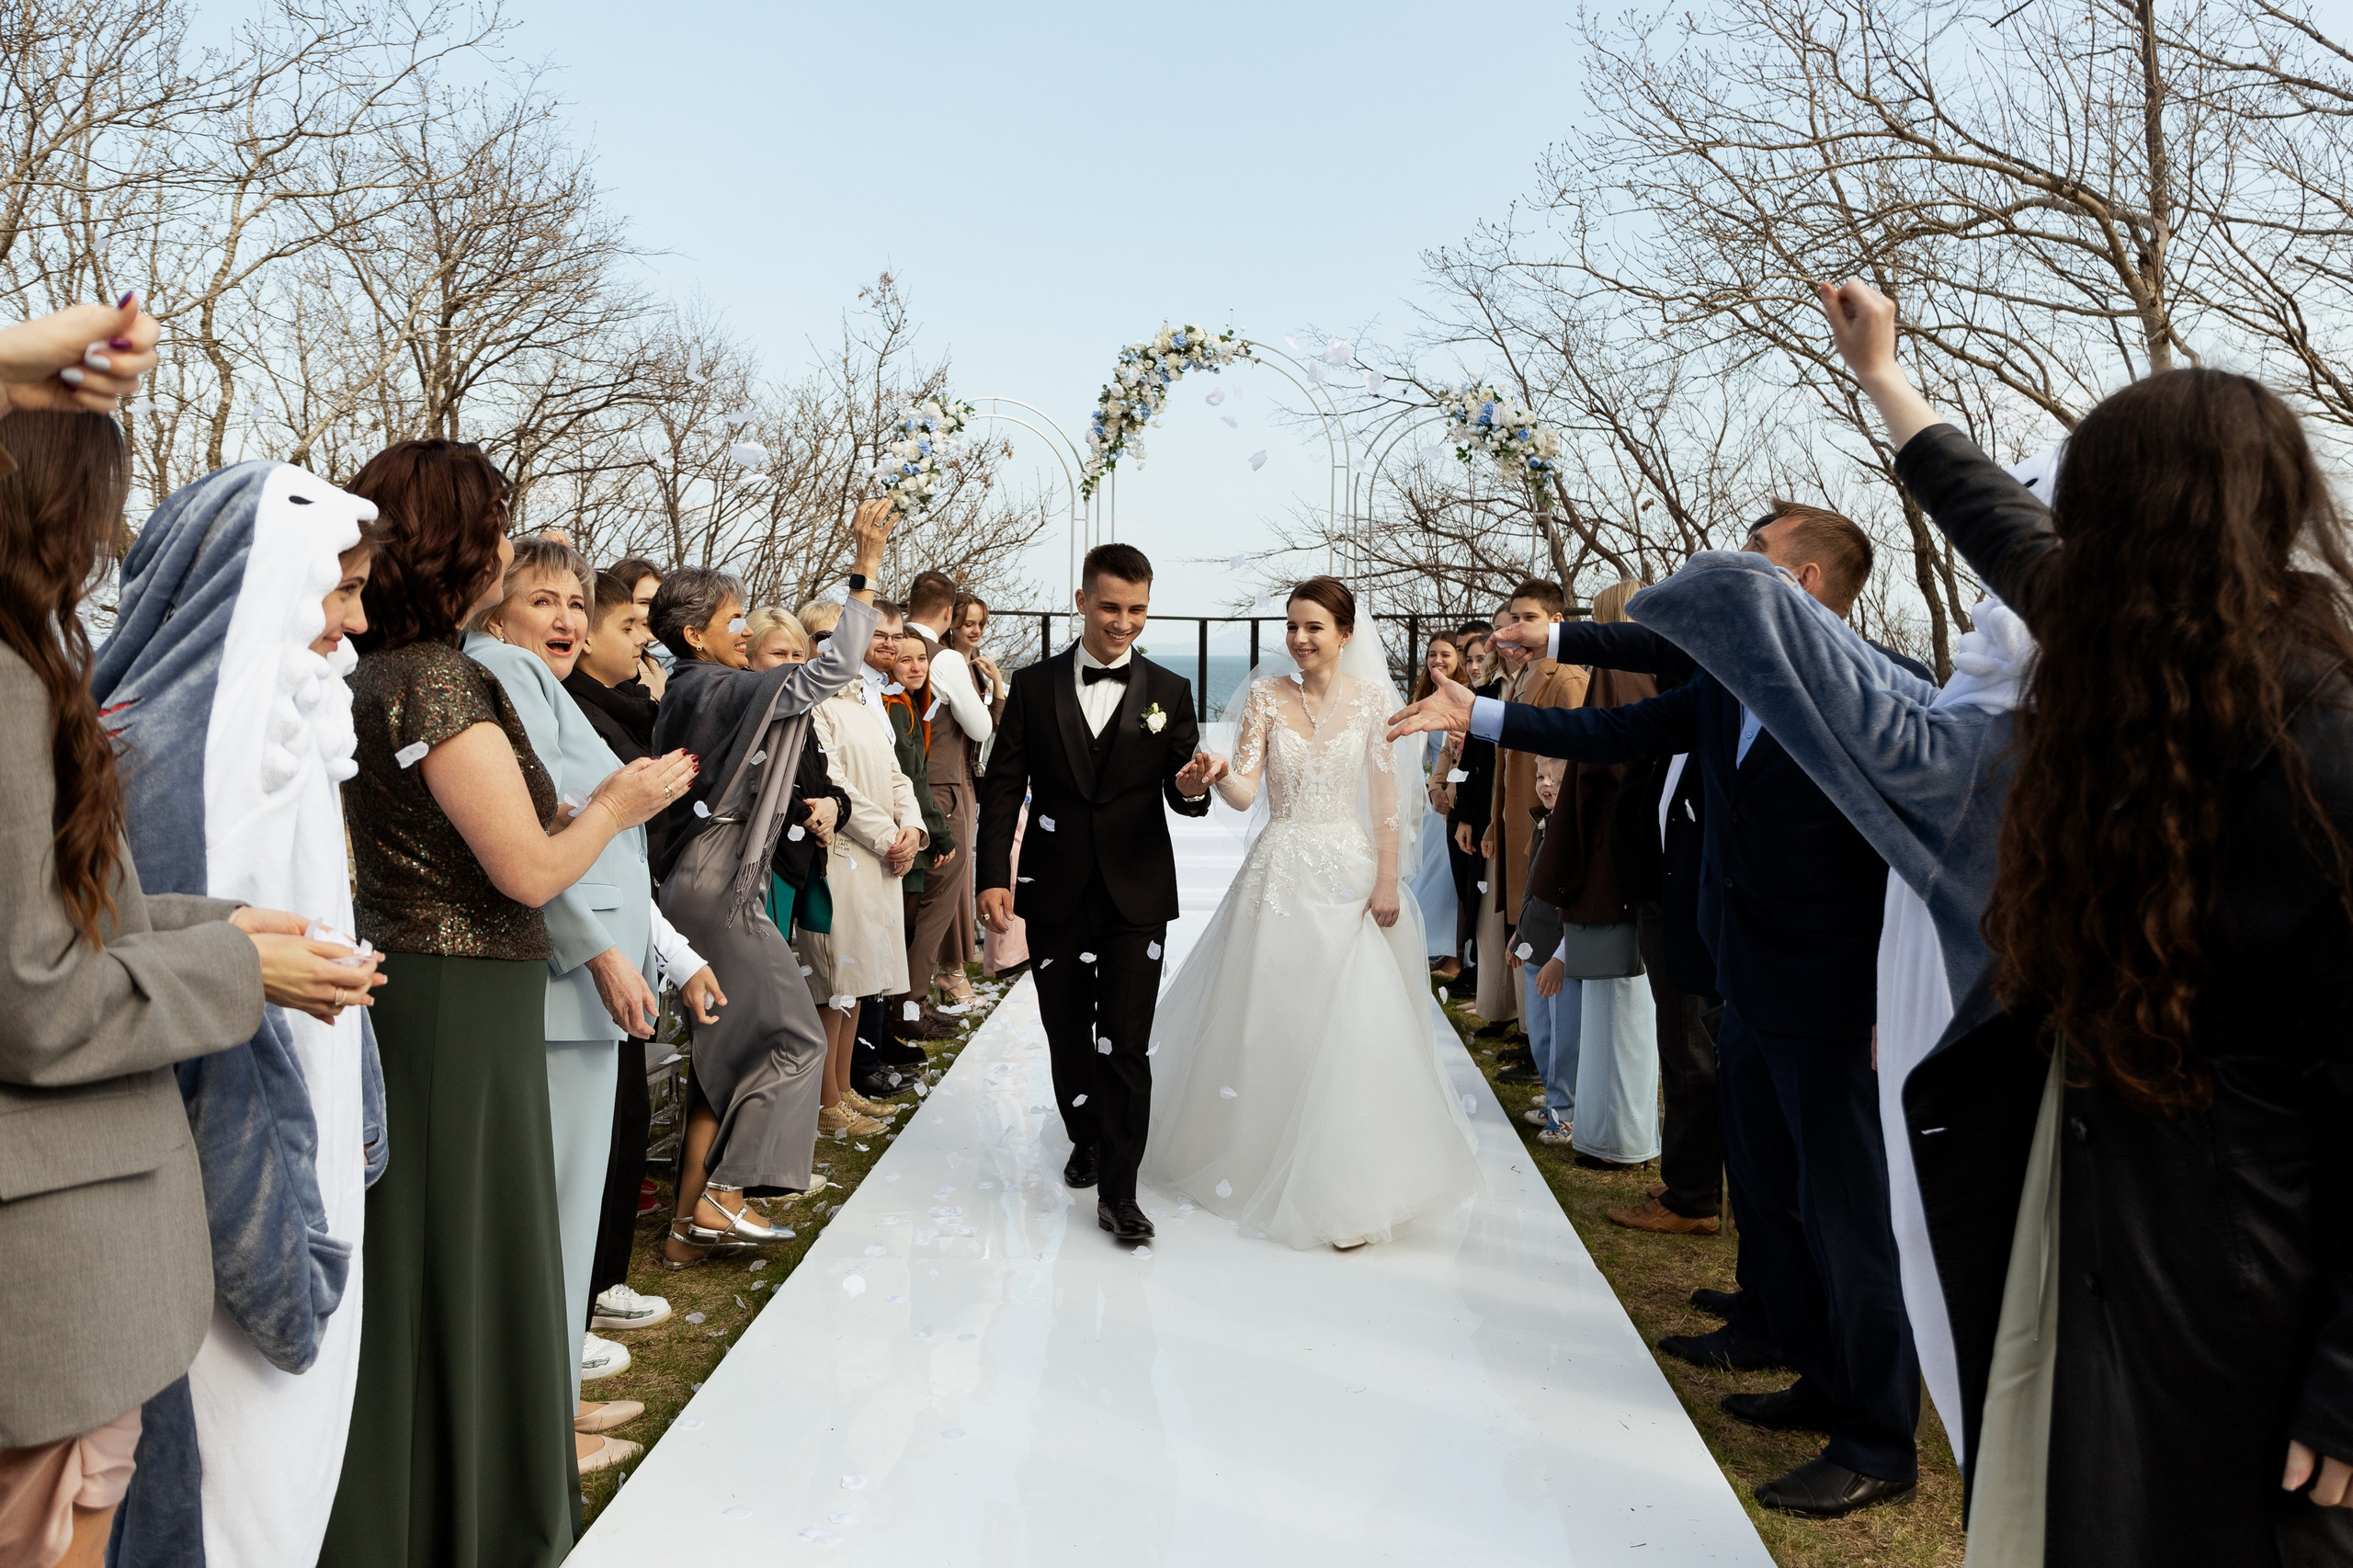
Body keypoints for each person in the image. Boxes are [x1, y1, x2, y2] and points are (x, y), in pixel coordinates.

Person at [1721, 276, 2353, 1564]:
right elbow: (1990, 516)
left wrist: (2345, 1370)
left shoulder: (2326, 743)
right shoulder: (2131, 641)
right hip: (2099, 1184)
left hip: (2245, 1244)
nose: (2056, 543)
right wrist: (1884, 376)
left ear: (2142, 524)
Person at [1390, 499, 1932, 1520]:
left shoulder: (1880, 691)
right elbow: (1616, 726)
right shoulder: (1728, 685)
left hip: (1834, 1004)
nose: (1732, 571)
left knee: (1849, 1216)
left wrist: (1885, 998)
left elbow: (1914, 858)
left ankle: (1877, 1436)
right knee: (1773, 1196)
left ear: (1805, 583)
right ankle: (1816, 1376)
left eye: (1757, 558)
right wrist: (1481, 716)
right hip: (1744, 985)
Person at [0, 380, 373, 1568]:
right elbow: (44, 988)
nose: (110, 540)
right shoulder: (89, 724)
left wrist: (224, 922)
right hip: (124, 1238)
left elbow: (87, 911)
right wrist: (235, 959)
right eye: (342, 585)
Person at [321, 439, 687, 1568]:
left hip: (442, 988)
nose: (499, 542)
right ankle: (456, 1514)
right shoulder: (433, 675)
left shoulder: (381, 668)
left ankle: (439, 1499)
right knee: (458, 1258)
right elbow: (526, 868)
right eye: (490, 524)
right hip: (454, 993)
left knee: (444, 1258)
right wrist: (618, 804)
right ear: (453, 541)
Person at [93, 460, 393, 1568]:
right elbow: (193, 1029)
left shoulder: (280, 729)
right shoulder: (169, 756)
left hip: (297, 1158)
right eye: (341, 589)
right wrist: (277, 1246)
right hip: (219, 1201)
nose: (357, 623)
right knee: (229, 1493)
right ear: (259, 583)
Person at [465, 537, 727, 1470]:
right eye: (544, 599)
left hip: (584, 979)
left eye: (578, 601)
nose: (567, 619)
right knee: (553, 1212)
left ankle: (553, 1403)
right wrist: (604, 954)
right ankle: (536, 1428)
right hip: (564, 978)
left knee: (567, 1212)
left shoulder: (528, 677)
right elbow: (537, 832)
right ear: (495, 604)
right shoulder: (501, 674)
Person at [1144, 577, 1480, 1250]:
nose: (1299, 639)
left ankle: (1348, 1187)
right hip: (1278, 870)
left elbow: (1387, 799)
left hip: (1350, 872)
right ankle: (1260, 1156)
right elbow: (1244, 793)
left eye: (1313, 627)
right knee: (1270, 1017)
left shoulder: (1374, 702)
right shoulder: (1266, 696)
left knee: (1351, 1025)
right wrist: (1213, 775)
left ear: (1345, 633)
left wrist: (1388, 881)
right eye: (1292, 627)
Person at [645, 519, 892, 1268]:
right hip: (718, 882)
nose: (745, 628)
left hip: (718, 880)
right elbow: (833, 668)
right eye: (733, 619)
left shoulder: (702, 685)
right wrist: (865, 568)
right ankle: (726, 1195)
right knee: (795, 1036)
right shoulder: (715, 686)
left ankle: (698, 1224)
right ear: (694, 635)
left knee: (744, 1046)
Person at [975, 543, 1225, 1244]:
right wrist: (992, 875)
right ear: (1081, 601)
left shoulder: (1171, 692)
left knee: (1126, 1043)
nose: (1124, 623)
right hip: (1052, 890)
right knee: (1067, 1034)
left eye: (1138, 610)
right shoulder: (1031, 686)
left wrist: (1190, 787)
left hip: (1136, 895)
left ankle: (1120, 1189)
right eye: (1111, 607)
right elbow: (1001, 788)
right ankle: (1086, 1135)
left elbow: (1187, 791)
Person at [559, 567, 680, 1342]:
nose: (644, 639)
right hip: (584, 945)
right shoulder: (571, 708)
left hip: (630, 927)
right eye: (631, 625)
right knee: (590, 1140)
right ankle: (585, 1296)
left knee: (621, 1123)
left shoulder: (634, 707)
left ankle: (600, 1285)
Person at [1524, 580, 1662, 1171]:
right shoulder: (1644, 675)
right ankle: (1613, 1131)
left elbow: (1599, 767)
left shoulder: (1617, 678)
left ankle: (1615, 1138)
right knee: (1625, 1013)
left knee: (1619, 1013)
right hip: (1630, 862)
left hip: (1616, 865)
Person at [790, 597, 927, 1135]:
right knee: (835, 980)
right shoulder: (814, 704)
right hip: (844, 855)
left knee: (861, 981)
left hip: (882, 858)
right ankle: (827, 1102)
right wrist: (886, 835)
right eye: (826, 637)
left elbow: (897, 778)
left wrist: (911, 828)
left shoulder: (864, 700)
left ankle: (844, 1087)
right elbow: (835, 786)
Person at [903, 571, 995, 1015]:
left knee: (907, 899)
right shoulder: (944, 659)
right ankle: (914, 1000)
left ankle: (901, 998)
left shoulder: (894, 644)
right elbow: (980, 726)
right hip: (942, 787)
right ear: (947, 613)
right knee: (936, 901)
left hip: (901, 785)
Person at [883, 629, 960, 1046]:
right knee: (905, 929)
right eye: (905, 660)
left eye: (922, 660)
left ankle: (910, 1010)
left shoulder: (911, 704)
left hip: (911, 824)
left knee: (909, 929)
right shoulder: (896, 708)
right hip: (905, 829)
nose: (915, 667)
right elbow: (912, 778)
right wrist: (941, 835)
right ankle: (902, 1018)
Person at [1406, 631, 1463, 973]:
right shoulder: (1423, 696)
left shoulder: (1463, 697)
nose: (1437, 660)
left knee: (1444, 877)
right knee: (1423, 874)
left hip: (1452, 798)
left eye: (1445, 654)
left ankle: (1453, 952)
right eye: (1432, 655)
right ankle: (1433, 945)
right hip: (1429, 799)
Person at [606, 555, 668, 698]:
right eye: (645, 603)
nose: (656, 613)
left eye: (659, 604)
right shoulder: (611, 669)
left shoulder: (655, 666)